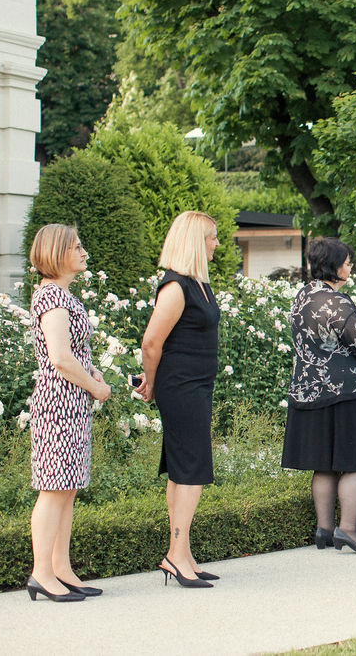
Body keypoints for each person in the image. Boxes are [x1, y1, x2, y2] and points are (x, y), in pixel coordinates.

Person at [281, 238, 356, 554]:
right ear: (336, 266)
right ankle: (348, 530)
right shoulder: (337, 303)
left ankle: (324, 529)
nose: (350, 267)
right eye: (348, 262)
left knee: (323, 464)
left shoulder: (302, 297)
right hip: (349, 392)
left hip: (310, 392)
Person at [25, 224, 112, 602]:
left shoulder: (61, 295)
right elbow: (59, 357)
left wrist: (91, 372)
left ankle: (61, 569)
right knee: (53, 489)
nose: (84, 252)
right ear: (57, 253)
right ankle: (42, 573)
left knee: (66, 489)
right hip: (58, 405)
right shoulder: (52, 297)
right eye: (76, 247)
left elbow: (70, 353)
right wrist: (95, 386)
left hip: (71, 404)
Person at [136, 211, 221, 587]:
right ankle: (175, 555)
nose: (217, 243)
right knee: (191, 470)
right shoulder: (175, 286)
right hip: (181, 387)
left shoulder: (197, 283)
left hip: (196, 385)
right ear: (195, 242)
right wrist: (151, 383)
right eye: (212, 237)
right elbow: (151, 342)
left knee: (183, 469)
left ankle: (182, 554)